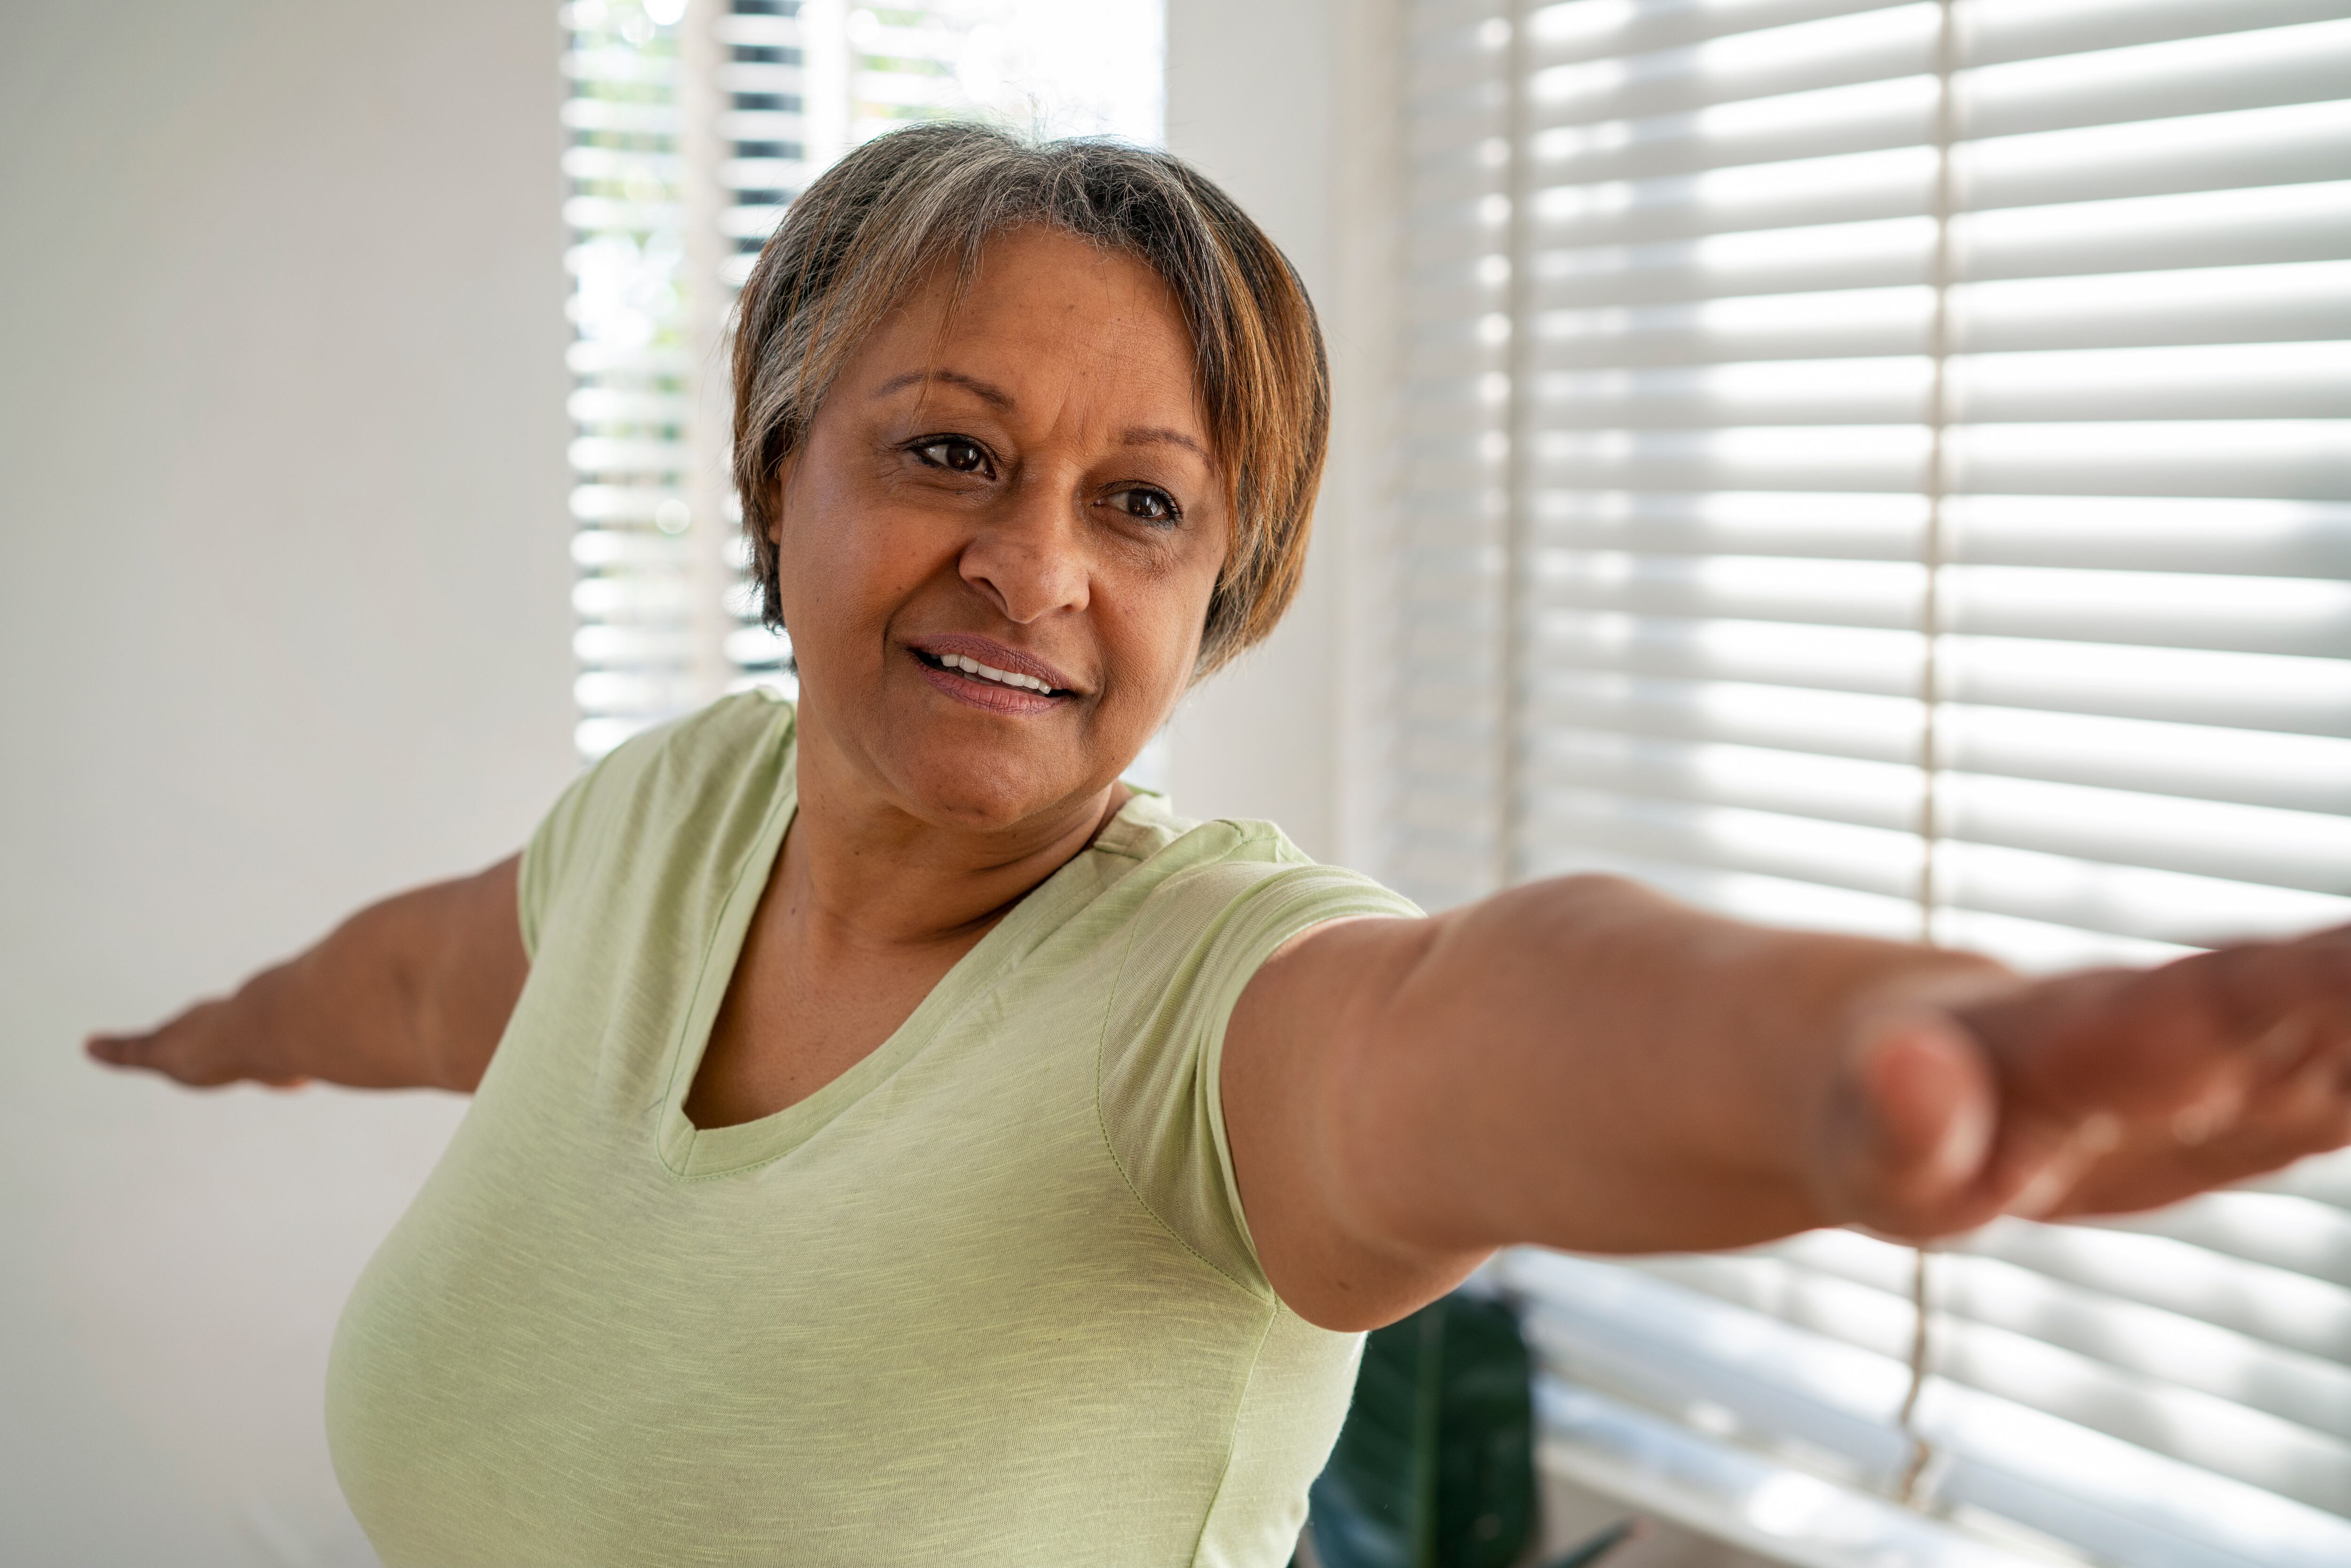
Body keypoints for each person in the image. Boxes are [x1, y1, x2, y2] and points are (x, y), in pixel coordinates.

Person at [89, 125, 2351, 1568]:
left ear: (1216, 592)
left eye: (1140, 505)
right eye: (949, 451)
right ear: (782, 471)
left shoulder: (1199, 1003)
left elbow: (1475, 1029)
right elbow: (422, 983)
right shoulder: (675, 818)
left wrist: (1872, 1056)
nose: (1032, 568)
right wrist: (221, 1032)